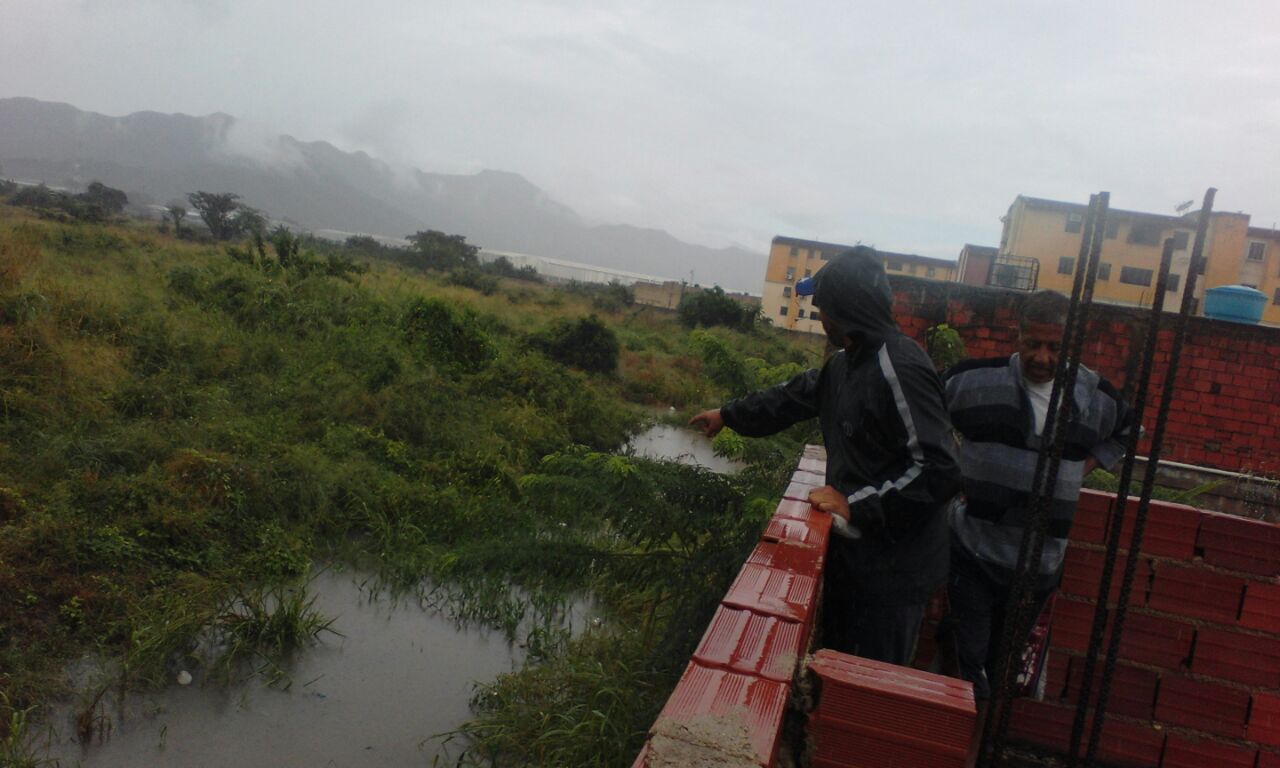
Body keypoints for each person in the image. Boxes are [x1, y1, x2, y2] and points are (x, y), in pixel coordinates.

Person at [689, 246, 961, 666]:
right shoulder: (846, 366)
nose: (819, 313)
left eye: (824, 305)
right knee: (830, 669)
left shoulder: (901, 368)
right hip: (854, 560)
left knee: (867, 687)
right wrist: (728, 415)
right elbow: (791, 397)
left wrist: (857, 506)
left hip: (893, 574)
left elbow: (939, 469)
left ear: (848, 308)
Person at [943, 289, 1135, 701]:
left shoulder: (1094, 397)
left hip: (1040, 565)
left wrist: (1079, 469)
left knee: (1004, 668)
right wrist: (953, 465)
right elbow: (925, 416)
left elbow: (1127, 432)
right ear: (1019, 335)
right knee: (965, 662)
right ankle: (960, 743)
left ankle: (982, 738)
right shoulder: (973, 380)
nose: (1043, 357)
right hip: (973, 552)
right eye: (1033, 344)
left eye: (1054, 347)